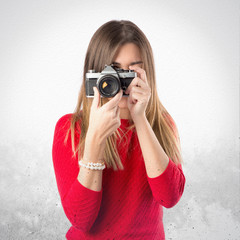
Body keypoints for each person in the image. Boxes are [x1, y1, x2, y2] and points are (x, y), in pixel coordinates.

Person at [52, 19, 186, 240]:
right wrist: (95, 139)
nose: (123, 82)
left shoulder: (162, 123)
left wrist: (140, 119)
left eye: (132, 71)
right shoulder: (70, 128)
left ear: (147, 73)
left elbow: (169, 198)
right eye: (113, 71)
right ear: (94, 75)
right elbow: (81, 219)